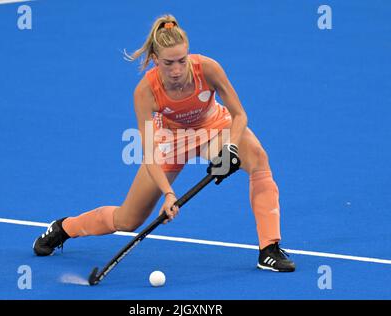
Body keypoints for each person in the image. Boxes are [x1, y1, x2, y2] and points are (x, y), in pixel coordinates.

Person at [32, 15, 295, 272]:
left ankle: (269, 249)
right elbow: (148, 155)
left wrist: (231, 149)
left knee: (258, 158)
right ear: (156, 60)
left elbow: (240, 115)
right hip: (172, 140)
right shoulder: (145, 92)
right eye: (169, 63)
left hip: (214, 128)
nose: (177, 70)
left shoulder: (208, 68)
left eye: (182, 60)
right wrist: (168, 193)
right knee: (128, 219)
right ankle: (65, 228)